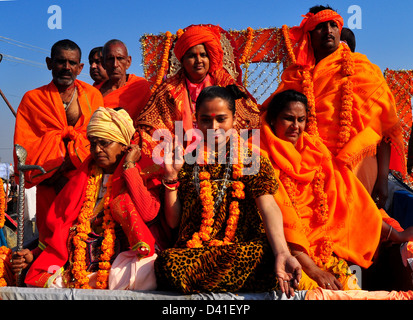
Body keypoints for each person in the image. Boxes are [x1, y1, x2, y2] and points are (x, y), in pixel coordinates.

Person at [154, 85, 301, 297]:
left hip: (241, 251)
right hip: (196, 253)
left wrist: (282, 253)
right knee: (168, 264)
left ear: (234, 120)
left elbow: (268, 205)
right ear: (197, 121)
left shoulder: (252, 159)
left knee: (267, 256)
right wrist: (170, 178)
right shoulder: (186, 162)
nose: (213, 126)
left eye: (221, 119)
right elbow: (174, 222)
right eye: (206, 120)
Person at [260, 89, 413, 291]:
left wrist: (395, 235)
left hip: (329, 242)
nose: (296, 127)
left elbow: (350, 198)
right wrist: (313, 269)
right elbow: (281, 218)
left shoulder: (315, 150)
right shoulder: (259, 156)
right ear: (272, 121)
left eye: (301, 119)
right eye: (288, 119)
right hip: (286, 252)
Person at [261, 5, 405, 209]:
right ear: (308, 36)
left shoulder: (364, 70)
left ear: (340, 30)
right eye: (320, 27)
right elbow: (272, 117)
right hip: (308, 161)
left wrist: (383, 179)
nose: (328, 31)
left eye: (333, 25)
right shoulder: (295, 76)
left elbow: (385, 131)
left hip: (355, 161)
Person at [13, 107, 166, 289]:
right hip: (77, 262)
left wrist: (130, 167)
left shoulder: (142, 172)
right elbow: (60, 223)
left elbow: (148, 213)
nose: (97, 150)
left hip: (121, 260)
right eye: (93, 144)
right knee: (42, 282)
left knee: (145, 272)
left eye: (104, 143)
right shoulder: (83, 177)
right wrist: (35, 254)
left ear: (124, 145)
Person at [13, 39, 104, 250]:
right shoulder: (32, 99)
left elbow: (98, 139)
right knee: (49, 243)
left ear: (80, 68)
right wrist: (55, 175)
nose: (66, 67)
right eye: (60, 61)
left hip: (83, 184)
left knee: (82, 241)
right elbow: (25, 148)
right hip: (48, 184)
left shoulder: (93, 96)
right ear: (49, 63)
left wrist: (70, 167)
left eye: (72, 63)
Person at [136, 24, 261, 151]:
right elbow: (148, 126)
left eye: (203, 55)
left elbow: (250, 119)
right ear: (182, 60)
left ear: (210, 57)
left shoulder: (225, 83)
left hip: (223, 149)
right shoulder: (168, 89)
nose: (198, 60)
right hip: (180, 153)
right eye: (191, 56)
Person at [98, 39, 151, 121]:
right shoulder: (96, 91)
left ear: (128, 62)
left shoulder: (140, 86)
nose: (115, 64)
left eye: (120, 58)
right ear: (103, 62)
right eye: (110, 59)